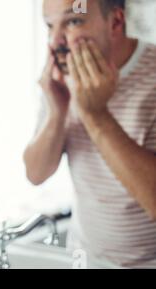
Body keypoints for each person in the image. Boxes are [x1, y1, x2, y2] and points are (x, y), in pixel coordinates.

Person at [24, 0, 156, 268]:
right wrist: (56, 111)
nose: (56, 39)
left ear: (115, 23)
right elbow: (36, 173)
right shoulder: (65, 76)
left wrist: (95, 115)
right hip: (83, 259)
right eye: (50, 25)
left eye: (74, 21)